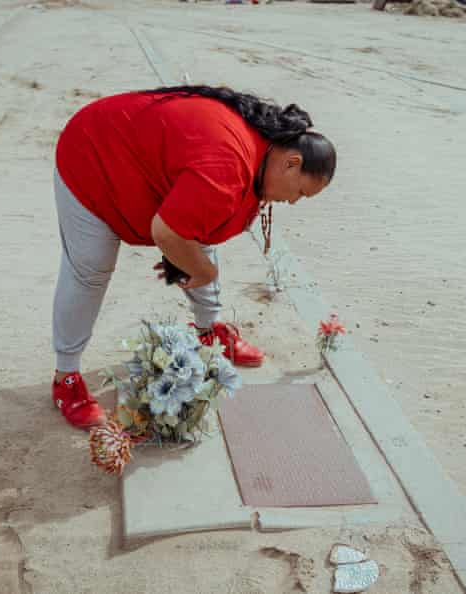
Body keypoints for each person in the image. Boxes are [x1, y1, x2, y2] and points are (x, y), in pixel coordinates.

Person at [51, 85, 337, 429]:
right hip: (92, 153)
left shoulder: (256, 156)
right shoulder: (227, 169)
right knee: (91, 269)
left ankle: (206, 329)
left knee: (198, 230)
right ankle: (65, 377)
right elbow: (168, 232)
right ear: (292, 163)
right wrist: (202, 271)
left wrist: (192, 261)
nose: (293, 202)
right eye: (300, 193)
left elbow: (195, 226)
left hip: (140, 161)